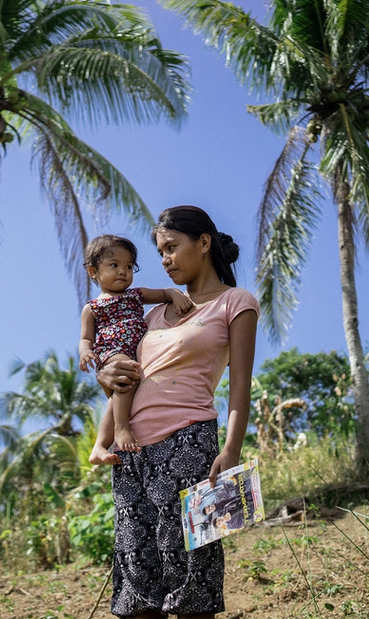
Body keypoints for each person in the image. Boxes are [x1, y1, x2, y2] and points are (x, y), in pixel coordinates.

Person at [90, 205, 259, 619]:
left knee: (192, 578)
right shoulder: (149, 314)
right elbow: (121, 373)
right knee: (137, 581)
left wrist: (232, 450)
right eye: (160, 252)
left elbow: (240, 387)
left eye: (171, 247)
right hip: (130, 452)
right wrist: (104, 372)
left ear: (203, 243)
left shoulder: (235, 302)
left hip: (190, 444)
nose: (164, 260)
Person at [79, 234, 194, 453]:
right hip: (113, 351)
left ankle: (100, 447)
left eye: (129, 266)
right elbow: (86, 338)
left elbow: (164, 293)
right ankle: (122, 429)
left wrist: (175, 295)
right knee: (125, 376)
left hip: (138, 352)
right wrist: (85, 352)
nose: (123, 271)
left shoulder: (136, 295)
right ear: (93, 271)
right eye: (114, 265)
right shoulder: (92, 308)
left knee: (117, 398)